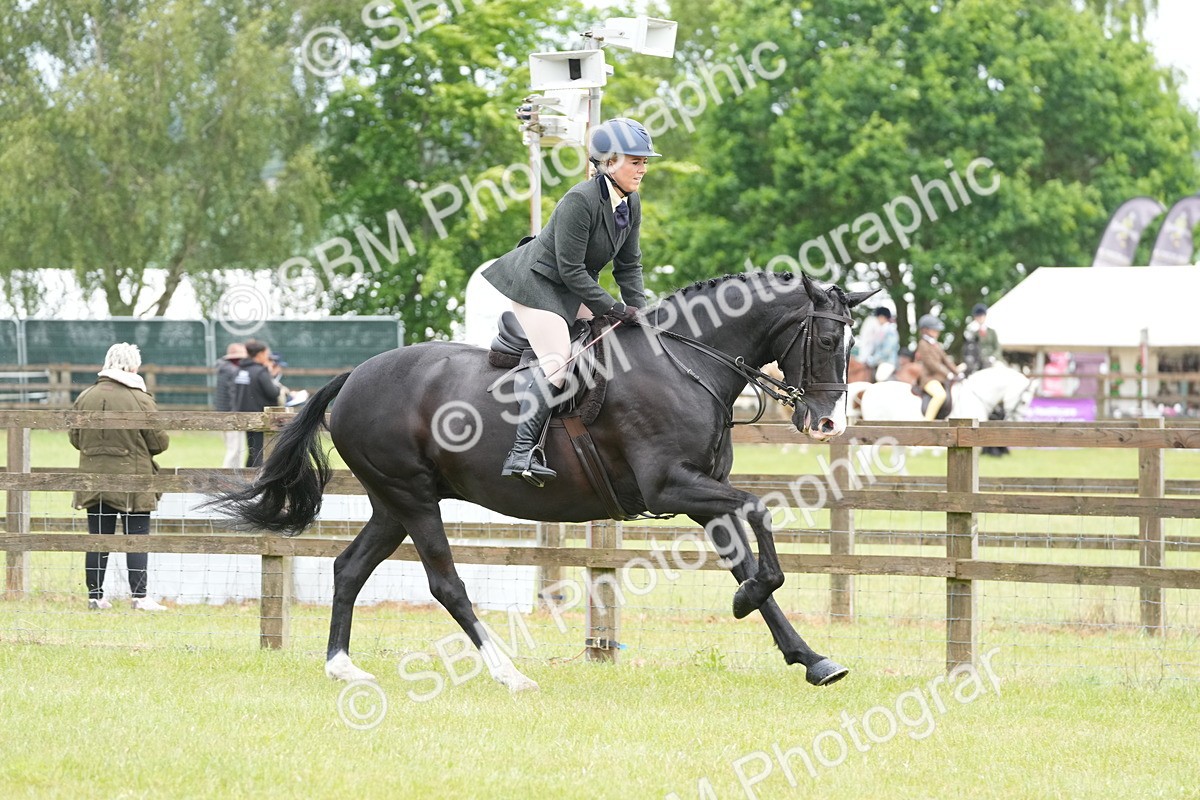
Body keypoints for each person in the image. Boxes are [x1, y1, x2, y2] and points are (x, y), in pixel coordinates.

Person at [481, 117, 657, 486]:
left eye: (644, 161)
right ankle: (521, 452)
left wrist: (638, 310)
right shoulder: (580, 200)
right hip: (537, 284)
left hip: (570, 286)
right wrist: (613, 307)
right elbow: (572, 270)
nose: (643, 168)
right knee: (558, 363)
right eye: (635, 161)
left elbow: (630, 265)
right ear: (608, 163)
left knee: (615, 338)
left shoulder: (631, 202)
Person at [69, 343, 170, 611]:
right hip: (133, 481)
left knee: (97, 537)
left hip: (93, 480)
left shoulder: (85, 396)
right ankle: (139, 597)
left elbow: (75, 439)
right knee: (136, 537)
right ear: (132, 366)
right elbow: (159, 443)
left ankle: (95, 596)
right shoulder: (140, 398)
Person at [233, 339, 284, 467]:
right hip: (260, 417)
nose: (267, 357)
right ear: (260, 354)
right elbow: (272, 392)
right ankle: (256, 479)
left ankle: (247, 477)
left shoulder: (240, 370)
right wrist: (279, 389)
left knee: (251, 450)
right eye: (266, 354)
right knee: (259, 451)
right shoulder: (260, 371)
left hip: (244, 415)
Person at [915, 314, 962, 421]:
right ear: (925, 330)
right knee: (940, 395)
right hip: (929, 378)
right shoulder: (923, 344)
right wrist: (948, 374)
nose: (937, 332)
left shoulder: (935, 344)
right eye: (934, 329)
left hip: (940, 378)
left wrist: (957, 372)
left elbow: (946, 360)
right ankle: (928, 422)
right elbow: (931, 364)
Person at [214, 342, 248, 468]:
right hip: (230, 414)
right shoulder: (232, 371)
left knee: (236, 449)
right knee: (234, 450)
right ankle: (228, 478)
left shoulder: (225, 369)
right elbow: (233, 394)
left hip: (226, 412)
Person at [962, 302, 1002, 374]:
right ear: (975, 317)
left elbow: (997, 348)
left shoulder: (992, 332)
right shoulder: (972, 332)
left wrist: (993, 357)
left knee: (1000, 369)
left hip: (991, 360)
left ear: (985, 316)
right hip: (977, 361)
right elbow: (968, 348)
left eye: (982, 316)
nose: (980, 318)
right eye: (978, 316)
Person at [863, 306, 900, 381]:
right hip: (878, 361)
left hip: (888, 361)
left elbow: (886, 351)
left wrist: (872, 360)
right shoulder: (880, 330)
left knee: (880, 377)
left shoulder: (890, 331)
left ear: (882, 317)